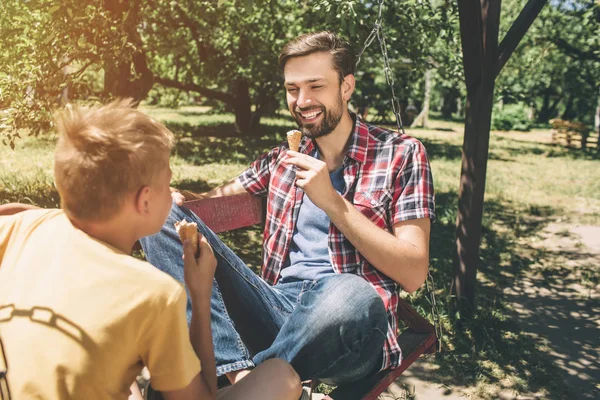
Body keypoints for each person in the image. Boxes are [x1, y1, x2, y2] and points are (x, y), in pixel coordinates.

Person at [143, 31, 436, 387]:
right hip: (277, 307)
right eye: (292, 89)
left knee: (350, 292)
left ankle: (248, 384)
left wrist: (331, 201)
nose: (302, 100)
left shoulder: (401, 154)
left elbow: (414, 272)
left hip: (348, 326)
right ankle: (240, 376)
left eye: (315, 86)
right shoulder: (282, 158)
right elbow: (215, 199)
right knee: (156, 215)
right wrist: (180, 201)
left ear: (346, 86)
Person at [0, 100, 301, 400]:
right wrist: (199, 294)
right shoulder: (154, 294)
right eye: (168, 185)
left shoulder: (22, 227)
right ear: (144, 202)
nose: (172, 194)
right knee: (279, 377)